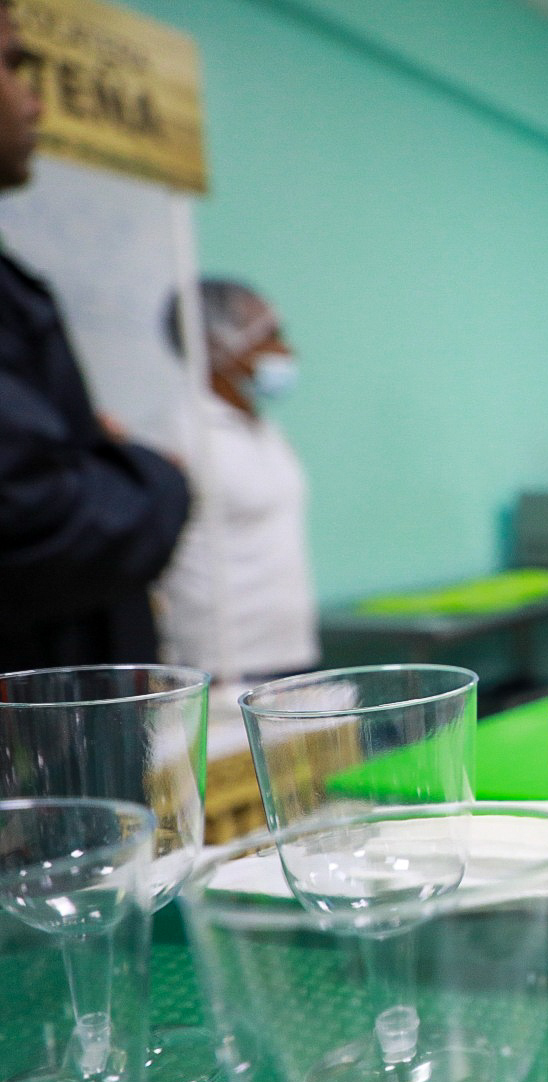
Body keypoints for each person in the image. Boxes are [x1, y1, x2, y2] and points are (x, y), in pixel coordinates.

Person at [0, 5, 190, 670]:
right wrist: (156, 479)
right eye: (12, 64)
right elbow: (33, 520)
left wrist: (85, 455)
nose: (36, 103)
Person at [157, 279, 318, 682]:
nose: (286, 351)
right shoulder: (179, 437)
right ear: (215, 344)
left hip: (290, 654)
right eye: (269, 336)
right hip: (220, 668)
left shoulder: (263, 429)